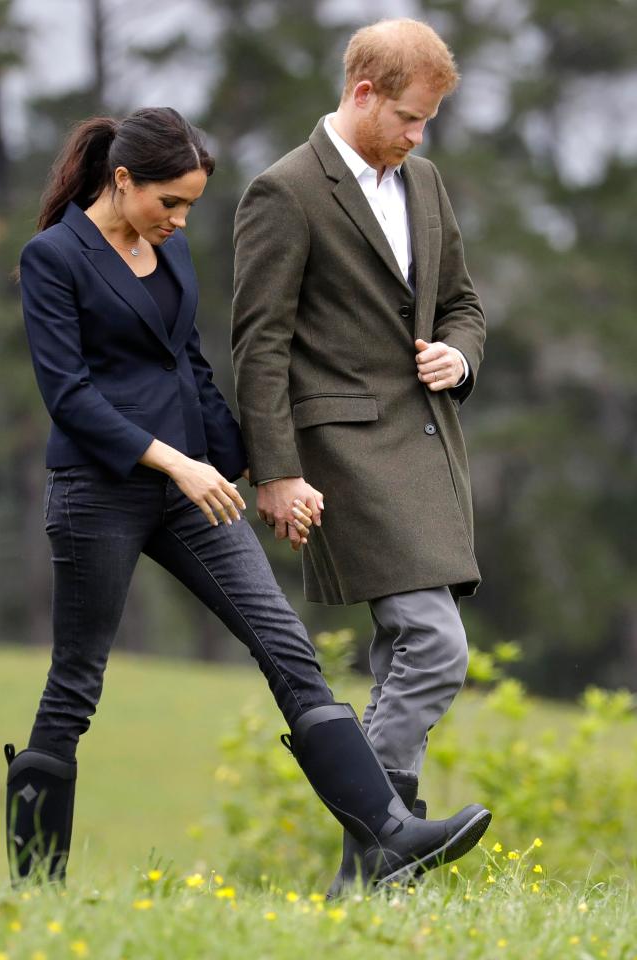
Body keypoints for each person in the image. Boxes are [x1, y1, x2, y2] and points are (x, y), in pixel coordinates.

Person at [8, 106, 490, 886]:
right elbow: (70, 397)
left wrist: (266, 469)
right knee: (76, 683)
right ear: (122, 180)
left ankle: (384, 835)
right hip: (101, 493)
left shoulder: (169, 252)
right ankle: (34, 884)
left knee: (288, 650)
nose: (181, 218)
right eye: (170, 201)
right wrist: (177, 464)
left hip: (192, 491)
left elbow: (190, 368)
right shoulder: (52, 258)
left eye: (192, 204)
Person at [232, 19, 487, 895]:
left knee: (407, 651)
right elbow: (260, 346)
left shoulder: (426, 184)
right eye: (411, 118)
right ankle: (382, 844)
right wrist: (277, 470)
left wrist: (460, 359)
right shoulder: (285, 191)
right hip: (341, 456)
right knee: (433, 643)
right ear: (364, 92)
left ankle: (374, 867)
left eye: (431, 124)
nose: (420, 137)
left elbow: (462, 306)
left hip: (428, 448)